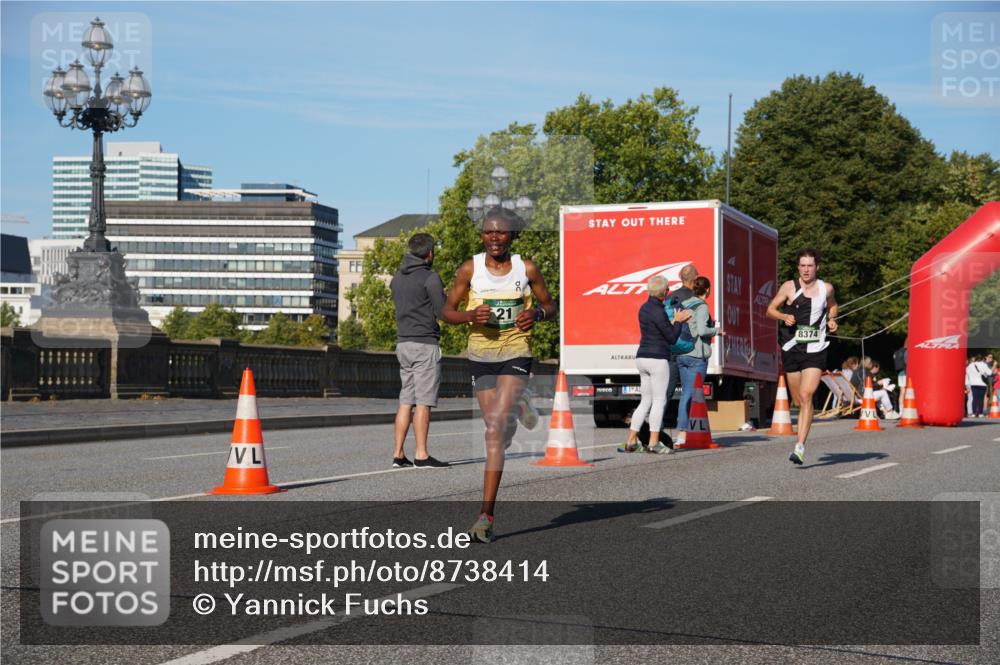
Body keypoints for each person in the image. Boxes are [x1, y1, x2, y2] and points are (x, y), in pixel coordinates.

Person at [442, 207, 557, 543]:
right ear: (482, 236)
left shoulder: (527, 268)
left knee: (493, 429)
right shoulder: (470, 268)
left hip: (516, 351)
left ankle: (485, 515)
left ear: (511, 235)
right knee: (497, 427)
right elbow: (447, 312)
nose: (494, 238)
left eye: (501, 232)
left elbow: (551, 306)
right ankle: (519, 408)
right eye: (488, 232)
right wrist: (469, 317)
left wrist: (535, 313)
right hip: (480, 356)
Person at [766, 248, 838, 465]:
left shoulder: (826, 288)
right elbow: (770, 310)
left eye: (810, 265)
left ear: (817, 267)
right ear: (798, 267)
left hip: (816, 347)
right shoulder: (789, 287)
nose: (806, 270)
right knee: (797, 399)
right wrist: (783, 315)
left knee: (807, 395)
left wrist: (833, 319)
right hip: (791, 347)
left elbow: (833, 306)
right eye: (803, 265)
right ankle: (802, 431)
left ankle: (799, 446)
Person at [388, 233, 451, 469]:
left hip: (403, 343)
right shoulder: (430, 278)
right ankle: (422, 455)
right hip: (425, 343)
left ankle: (398, 454)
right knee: (423, 402)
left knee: (406, 400)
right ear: (430, 253)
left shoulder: (396, 279)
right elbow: (443, 311)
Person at [618, 275, 693, 455]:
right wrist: (678, 321)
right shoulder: (659, 311)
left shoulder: (643, 308)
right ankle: (653, 443)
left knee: (645, 401)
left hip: (641, 357)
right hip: (657, 359)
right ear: (665, 293)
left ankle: (631, 441)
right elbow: (672, 337)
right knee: (659, 401)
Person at [676, 276, 724, 442]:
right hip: (696, 355)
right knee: (691, 394)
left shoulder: (685, 303)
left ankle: (685, 431)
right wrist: (717, 331)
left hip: (682, 353)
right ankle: (683, 433)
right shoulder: (702, 306)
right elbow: (703, 331)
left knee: (685, 393)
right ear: (708, 290)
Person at [664, 263, 698, 444]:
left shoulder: (670, 297)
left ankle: (657, 432)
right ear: (695, 279)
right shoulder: (696, 298)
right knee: (687, 392)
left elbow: (666, 322)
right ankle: (682, 434)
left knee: (665, 393)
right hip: (689, 350)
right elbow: (700, 325)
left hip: (670, 349)